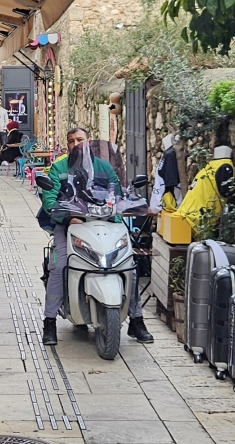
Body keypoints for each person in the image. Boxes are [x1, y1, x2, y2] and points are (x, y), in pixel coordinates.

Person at [36, 128, 153, 346]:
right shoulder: (59, 168)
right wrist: (68, 217)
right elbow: (49, 198)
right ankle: (49, 322)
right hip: (71, 224)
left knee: (128, 264)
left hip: (105, 222)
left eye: (80, 140)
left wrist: (124, 204)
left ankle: (137, 320)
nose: (76, 144)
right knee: (60, 266)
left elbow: (118, 192)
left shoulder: (105, 167)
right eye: (71, 141)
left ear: (88, 142)